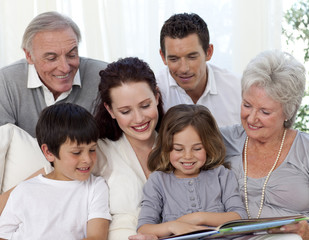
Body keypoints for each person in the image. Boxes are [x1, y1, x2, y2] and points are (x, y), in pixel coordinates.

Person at [220, 50, 309, 240]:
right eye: (247, 105)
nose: (252, 118)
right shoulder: (224, 140)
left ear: (287, 112)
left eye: (265, 111)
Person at [133, 104, 246, 239]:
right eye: (178, 149)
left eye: (197, 148)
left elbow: (240, 216)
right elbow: (144, 228)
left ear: (209, 146)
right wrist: (172, 226)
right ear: (166, 147)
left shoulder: (221, 175)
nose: (187, 156)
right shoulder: (158, 181)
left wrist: (198, 217)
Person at [0, 103, 111, 239]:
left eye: (92, 150)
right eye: (76, 152)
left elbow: (97, 237)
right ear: (48, 152)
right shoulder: (24, 190)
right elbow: (3, 234)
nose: (87, 159)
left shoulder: (95, 187)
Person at [0, 11, 107, 137]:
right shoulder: (5, 82)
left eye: (72, 55)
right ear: (29, 55)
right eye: (51, 58)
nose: (65, 68)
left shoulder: (104, 76)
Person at [93, 57, 164, 239]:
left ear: (156, 96)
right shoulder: (98, 151)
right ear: (110, 111)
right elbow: (53, 176)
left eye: (145, 105)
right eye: (126, 111)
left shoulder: (179, 146)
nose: (139, 118)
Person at [157, 13, 241, 127]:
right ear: (163, 57)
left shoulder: (238, 89)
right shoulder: (154, 91)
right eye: (174, 59)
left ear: (209, 52)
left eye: (192, 57)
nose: (184, 69)